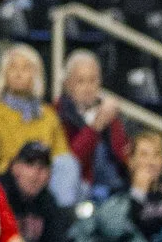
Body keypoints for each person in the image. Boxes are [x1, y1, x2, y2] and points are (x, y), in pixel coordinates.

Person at [0, 45, 77, 204]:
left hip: (43, 180)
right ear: (4, 74)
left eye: (26, 68)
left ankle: (62, 218)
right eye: (13, 67)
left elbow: (61, 156)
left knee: (68, 164)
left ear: (36, 75)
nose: (19, 73)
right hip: (9, 179)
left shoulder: (49, 114)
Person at [56, 48, 131, 190]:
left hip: (113, 188)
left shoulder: (110, 114)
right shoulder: (57, 113)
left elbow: (123, 158)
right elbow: (69, 163)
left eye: (93, 80)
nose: (88, 88)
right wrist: (96, 126)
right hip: (78, 187)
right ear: (67, 84)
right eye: (81, 81)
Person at [0, 140, 76, 242]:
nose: (35, 174)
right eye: (29, 164)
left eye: (42, 167)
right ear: (15, 167)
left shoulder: (48, 202)